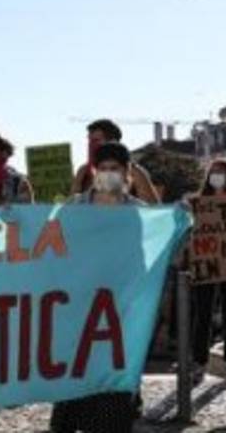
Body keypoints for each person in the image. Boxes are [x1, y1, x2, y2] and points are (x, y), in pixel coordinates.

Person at [52, 141, 142, 433]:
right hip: (78, 308)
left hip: (121, 309)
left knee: (113, 387)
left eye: (115, 169)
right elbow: (51, 244)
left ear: (127, 172)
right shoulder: (74, 207)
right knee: (77, 378)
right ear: (93, 171)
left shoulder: (140, 212)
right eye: (102, 168)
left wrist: (179, 222)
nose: (108, 174)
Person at [189, 160, 226, 380]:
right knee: (202, 314)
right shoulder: (199, 203)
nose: (216, 177)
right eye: (212, 173)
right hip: (206, 263)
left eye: (220, 173)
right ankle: (199, 363)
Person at [73, 119, 160, 203]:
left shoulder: (135, 172)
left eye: (96, 140)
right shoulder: (83, 171)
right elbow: (71, 207)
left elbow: (152, 210)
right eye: (89, 140)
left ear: (113, 141)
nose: (91, 144)